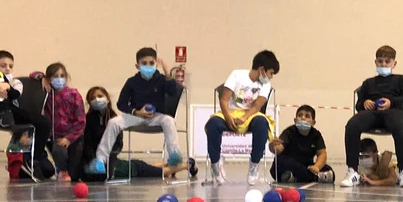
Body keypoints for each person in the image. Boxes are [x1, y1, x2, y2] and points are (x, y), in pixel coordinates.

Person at [84, 48, 184, 176]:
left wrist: (168, 74)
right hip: (136, 116)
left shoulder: (162, 80)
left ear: (156, 64)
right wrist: (136, 112)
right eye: (144, 63)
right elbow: (121, 103)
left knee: (169, 120)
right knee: (114, 122)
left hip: (156, 116)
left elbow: (173, 92)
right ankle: (100, 160)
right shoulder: (132, 82)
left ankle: (174, 154)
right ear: (137, 66)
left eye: (151, 63)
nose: (148, 66)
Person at [81, 86, 196, 182]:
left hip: (111, 161)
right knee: (141, 167)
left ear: (108, 99)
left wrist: (109, 158)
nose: (96, 99)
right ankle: (183, 164)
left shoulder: (112, 117)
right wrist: (94, 160)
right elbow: (87, 144)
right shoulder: (88, 119)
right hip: (98, 162)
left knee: (142, 167)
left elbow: (118, 144)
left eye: (100, 96)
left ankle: (187, 165)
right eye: (92, 98)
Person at [341, 45, 403, 188]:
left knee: (401, 125)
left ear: (394, 63)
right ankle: (352, 171)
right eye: (380, 61)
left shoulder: (402, 80)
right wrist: (365, 103)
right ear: (375, 62)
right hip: (372, 113)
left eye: (387, 61)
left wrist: (391, 102)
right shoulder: (368, 83)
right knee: (352, 125)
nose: (383, 64)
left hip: (394, 111)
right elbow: (359, 104)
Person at [205, 50, 279, 185]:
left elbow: (257, 106)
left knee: (262, 123)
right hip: (230, 112)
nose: (271, 77)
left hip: (250, 114)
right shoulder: (237, 75)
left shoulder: (266, 85)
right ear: (262, 70)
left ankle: (254, 165)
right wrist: (228, 117)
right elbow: (224, 99)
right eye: (271, 73)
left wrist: (245, 117)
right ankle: (215, 164)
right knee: (213, 124)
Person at [0, 50, 51, 139]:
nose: (8, 69)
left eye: (10, 66)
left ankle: (37, 152)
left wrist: (7, 87)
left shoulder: (15, 82)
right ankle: (3, 114)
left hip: (11, 115)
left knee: (44, 122)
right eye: (3, 66)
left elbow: (16, 95)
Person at [30, 63, 86, 182]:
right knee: (58, 151)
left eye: (62, 75)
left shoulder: (74, 94)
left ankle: (70, 170)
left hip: (74, 136)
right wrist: (42, 78)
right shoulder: (47, 94)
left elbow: (81, 121)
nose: (59, 79)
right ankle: (62, 170)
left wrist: (69, 138)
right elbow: (32, 74)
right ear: (49, 78)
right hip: (57, 137)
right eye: (55, 76)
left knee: (75, 175)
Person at [269, 105, 335, 184]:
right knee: (281, 161)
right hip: (288, 164)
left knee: (329, 170)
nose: (303, 118)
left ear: (313, 122)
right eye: (300, 115)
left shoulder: (316, 135)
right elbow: (278, 149)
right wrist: (273, 145)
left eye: (307, 116)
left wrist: (317, 167)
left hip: (306, 165)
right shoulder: (289, 132)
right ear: (295, 120)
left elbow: (322, 154)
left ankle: (294, 178)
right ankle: (314, 177)